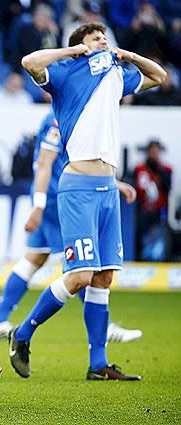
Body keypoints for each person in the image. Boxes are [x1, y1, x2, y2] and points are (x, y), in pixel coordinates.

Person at [11, 22, 165, 380]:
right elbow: (29, 61)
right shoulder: (66, 72)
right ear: (80, 45)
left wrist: (127, 55)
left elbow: (158, 76)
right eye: (95, 38)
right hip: (78, 186)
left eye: (105, 37)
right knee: (79, 275)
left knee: (104, 277)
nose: (103, 41)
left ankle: (98, 364)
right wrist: (72, 52)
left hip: (107, 187)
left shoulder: (117, 73)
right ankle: (23, 333)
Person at [0, 111, 143, 343]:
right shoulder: (58, 118)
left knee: (34, 258)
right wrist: (39, 206)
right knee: (81, 268)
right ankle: (103, 327)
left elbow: (74, 160)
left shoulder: (67, 115)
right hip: (57, 198)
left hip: (50, 195)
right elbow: (46, 163)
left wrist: (113, 182)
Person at [134, 139, 172, 260]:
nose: (154, 154)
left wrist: (159, 169)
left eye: (156, 151)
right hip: (142, 213)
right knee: (141, 242)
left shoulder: (165, 170)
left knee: (158, 245)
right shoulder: (139, 169)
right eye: (152, 151)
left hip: (158, 214)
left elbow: (168, 187)